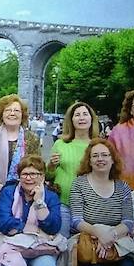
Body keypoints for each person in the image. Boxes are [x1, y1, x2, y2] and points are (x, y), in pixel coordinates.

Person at [70, 138, 134, 266]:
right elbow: (76, 220)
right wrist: (100, 234)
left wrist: (110, 236)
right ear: (89, 160)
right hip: (88, 243)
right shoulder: (79, 183)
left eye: (105, 155)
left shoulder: (122, 187)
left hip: (116, 242)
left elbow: (128, 222)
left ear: (113, 159)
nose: (100, 159)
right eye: (95, 156)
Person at [0, 155, 62, 266]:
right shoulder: (9, 192)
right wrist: (29, 228)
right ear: (19, 176)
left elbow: (54, 227)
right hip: (12, 247)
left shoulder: (51, 196)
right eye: (24, 174)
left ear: (43, 176)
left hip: (41, 248)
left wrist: (39, 202)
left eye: (34, 174)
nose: (28, 178)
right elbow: (3, 223)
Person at [46, 101, 99, 237]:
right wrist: (51, 165)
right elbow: (48, 176)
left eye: (85, 114)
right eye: (77, 115)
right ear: (71, 120)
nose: (81, 118)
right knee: (61, 245)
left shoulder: (98, 145)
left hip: (90, 206)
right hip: (63, 204)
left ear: (91, 119)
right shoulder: (60, 144)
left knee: (86, 249)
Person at [0, 94, 41, 220]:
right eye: (8, 110)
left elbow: (36, 165)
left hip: (24, 192)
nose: (12, 113)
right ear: (2, 114)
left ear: (22, 115)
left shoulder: (32, 138)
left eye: (16, 110)